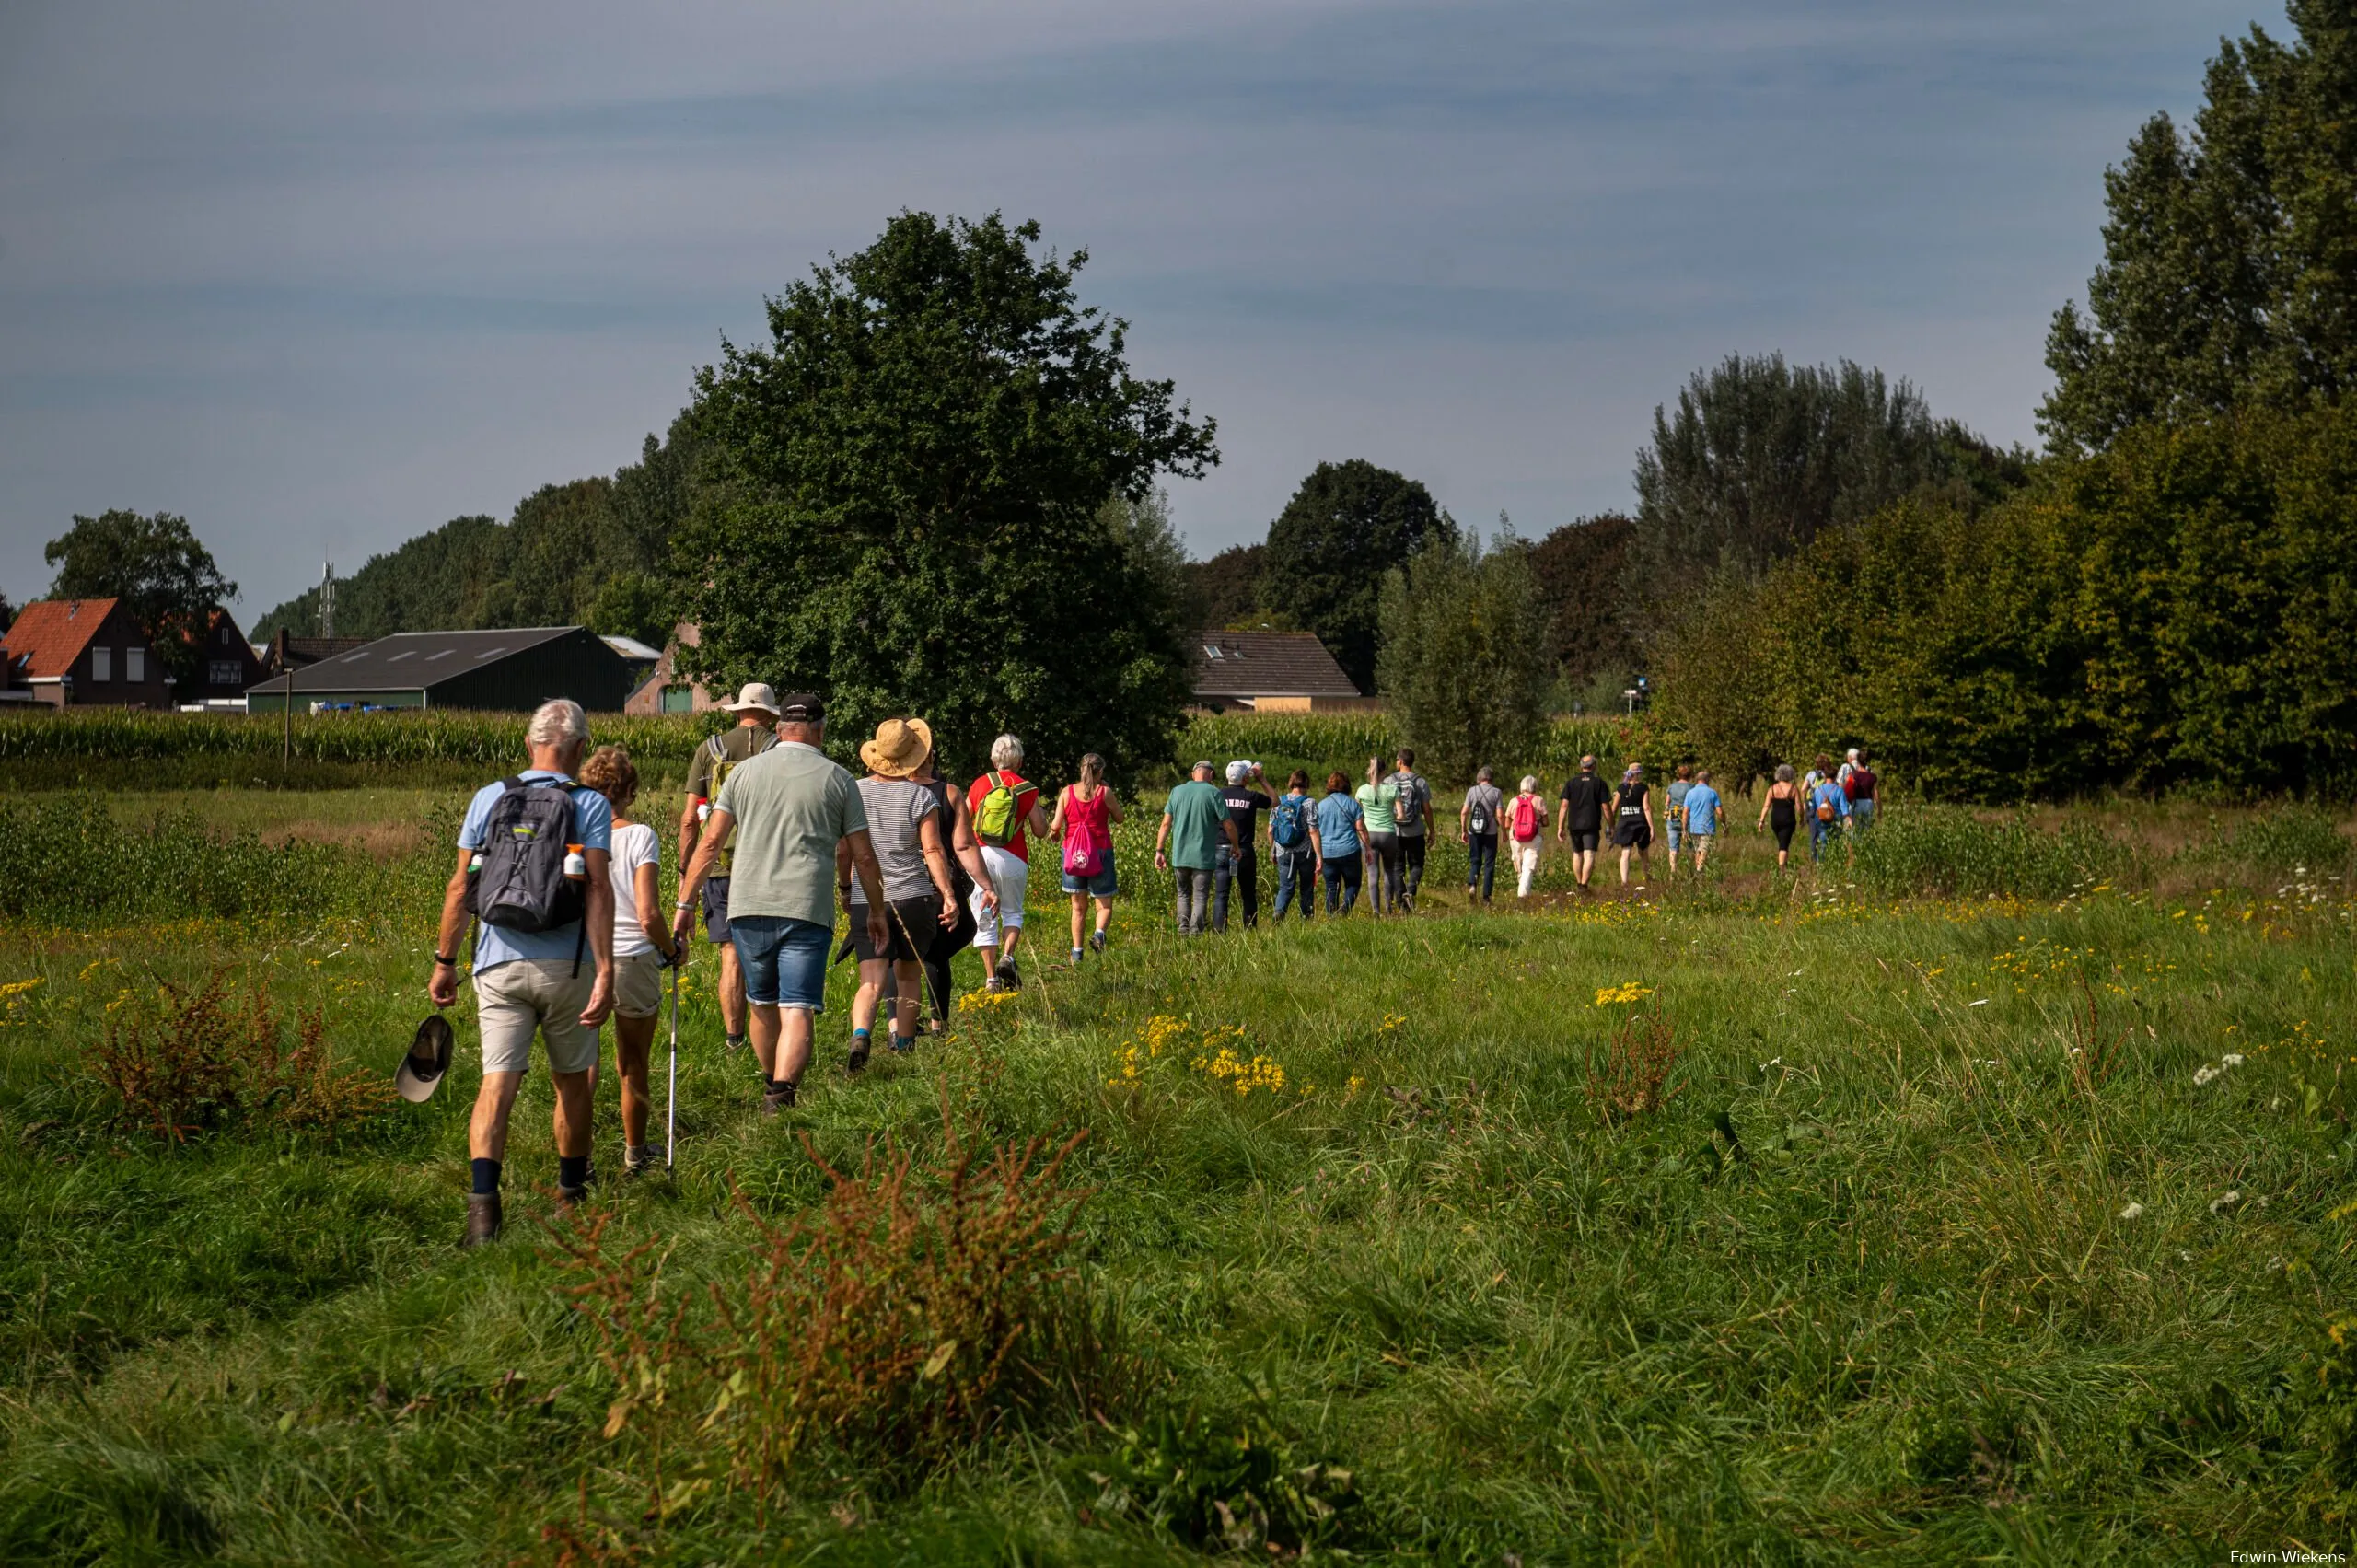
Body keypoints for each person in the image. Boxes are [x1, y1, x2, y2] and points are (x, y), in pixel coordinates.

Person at [430, 698, 616, 1248]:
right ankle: (569, 1199)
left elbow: (461, 887)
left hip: (498, 963)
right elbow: (599, 890)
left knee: (497, 1085)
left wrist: (444, 961)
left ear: (528, 743)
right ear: (579, 749)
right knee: (572, 1083)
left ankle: (483, 1216)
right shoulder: (590, 804)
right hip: (567, 967)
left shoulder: (490, 797)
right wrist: (605, 971)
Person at [671, 692, 887, 1118]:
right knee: (797, 1005)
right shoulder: (839, 778)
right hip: (806, 907)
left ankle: (773, 1082)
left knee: (761, 1003)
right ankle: (782, 1095)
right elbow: (862, 855)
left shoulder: (742, 775)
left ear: (782, 728)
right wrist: (876, 910)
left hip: (747, 904)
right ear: (820, 731)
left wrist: (685, 902)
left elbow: (711, 841)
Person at [842, 718, 987, 1070]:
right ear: (912, 756)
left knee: (870, 980)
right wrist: (949, 895)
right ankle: (903, 1047)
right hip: (914, 898)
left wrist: (846, 888)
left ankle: (862, 1033)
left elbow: (843, 850)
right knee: (908, 977)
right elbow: (934, 851)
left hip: (868, 897)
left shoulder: (854, 792)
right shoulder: (922, 795)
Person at [582, 743, 683, 1177]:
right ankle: (635, 1153)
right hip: (632, 960)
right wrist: (672, 948)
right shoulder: (640, 836)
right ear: (629, 790)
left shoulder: (575, 836)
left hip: (583, 959)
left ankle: (577, 1161)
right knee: (633, 1062)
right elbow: (648, 915)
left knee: (582, 1064)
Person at [677, 685, 781, 1053]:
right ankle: (770, 1039)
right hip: (769, 864)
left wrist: (685, 871)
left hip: (719, 866)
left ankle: (735, 1039)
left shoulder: (710, 750)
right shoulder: (780, 750)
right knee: (772, 952)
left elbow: (691, 820)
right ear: (770, 714)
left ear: (737, 712)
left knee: (731, 956)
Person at [910, 740, 992, 1024]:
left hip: (896, 882)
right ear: (930, 755)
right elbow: (965, 845)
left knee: (896, 956)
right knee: (937, 952)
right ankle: (938, 1023)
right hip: (938, 883)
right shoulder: (949, 792)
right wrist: (987, 885)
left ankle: (899, 1025)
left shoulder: (884, 790)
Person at [966, 734, 1051, 991]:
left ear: (994, 760)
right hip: (1014, 858)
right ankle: (1008, 956)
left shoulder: (981, 784)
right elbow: (1039, 830)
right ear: (1020, 762)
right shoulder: (1027, 789)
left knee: (984, 914)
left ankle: (991, 978)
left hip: (981, 857)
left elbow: (965, 818)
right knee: (1012, 911)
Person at [1049, 753, 1123, 962]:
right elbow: (1120, 818)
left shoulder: (1067, 792)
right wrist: (1108, 791)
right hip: (1099, 853)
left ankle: (1076, 954)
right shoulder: (1104, 792)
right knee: (1105, 904)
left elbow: (1055, 826)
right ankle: (1099, 934)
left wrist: (1055, 834)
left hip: (1073, 854)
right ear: (1100, 772)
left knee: (1078, 907)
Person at [1155, 760, 1237, 936]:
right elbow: (1228, 825)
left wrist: (1159, 850)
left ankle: (1183, 931)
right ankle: (1196, 933)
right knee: (1200, 896)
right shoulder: (1214, 793)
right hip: (1203, 857)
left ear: (1193, 774)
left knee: (1183, 894)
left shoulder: (1176, 791)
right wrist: (1236, 846)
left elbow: (1165, 824)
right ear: (1211, 775)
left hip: (1180, 855)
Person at [1213, 761, 1274, 932]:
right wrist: (1261, 778)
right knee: (1248, 894)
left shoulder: (1217, 794)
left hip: (1220, 849)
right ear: (1245, 778)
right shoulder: (1251, 796)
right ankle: (1250, 931)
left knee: (1221, 895)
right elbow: (1275, 801)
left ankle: (1219, 932)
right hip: (1244, 850)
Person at [1385, 749, 1433, 912]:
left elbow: (1384, 806)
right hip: (1416, 831)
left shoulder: (1389, 781)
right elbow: (1427, 809)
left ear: (1400, 761)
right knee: (1417, 864)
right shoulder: (1421, 782)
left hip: (1395, 831)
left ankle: (1401, 904)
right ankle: (1410, 890)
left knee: (1398, 867)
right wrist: (1432, 831)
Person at [1315, 770, 1369, 913]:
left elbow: (1315, 831)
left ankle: (1332, 918)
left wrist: (1317, 855)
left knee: (1331, 886)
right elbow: (1361, 829)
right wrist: (1368, 849)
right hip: (1349, 850)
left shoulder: (1321, 806)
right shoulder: (1353, 804)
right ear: (1347, 786)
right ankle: (1344, 910)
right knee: (1353, 884)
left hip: (1327, 853)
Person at [1269, 768, 1319, 921]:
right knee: (1306, 888)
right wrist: (1320, 856)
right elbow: (1313, 831)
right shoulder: (1309, 803)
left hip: (1283, 851)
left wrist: (1273, 850)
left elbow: (1271, 829)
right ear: (1306, 784)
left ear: (1291, 783)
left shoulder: (1278, 801)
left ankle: (1278, 913)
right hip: (1305, 853)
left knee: (1285, 887)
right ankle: (1306, 919)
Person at [1355, 757, 1402, 914]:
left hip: (1369, 835)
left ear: (1369, 771)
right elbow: (1401, 815)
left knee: (1372, 873)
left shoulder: (1361, 790)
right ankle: (1389, 907)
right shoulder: (1392, 789)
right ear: (1385, 771)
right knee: (1389, 871)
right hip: (1388, 834)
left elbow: (1357, 814)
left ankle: (1376, 911)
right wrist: (1390, 817)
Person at [1556, 755, 1609, 890]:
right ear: (1594, 766)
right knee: (1589, 853)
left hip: (1574, 823)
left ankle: (1579, 883)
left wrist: (1560, 827)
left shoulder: (1571, 782)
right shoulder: (1599, 783)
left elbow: (1564, 805)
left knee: (1577, 853)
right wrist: (1612, 823)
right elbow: (1605, 806)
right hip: (1591, 823)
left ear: (1581, 766)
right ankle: (1583, 885)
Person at [1460, 765, 1503, 905]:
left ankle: (1472, 885)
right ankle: (1486, 897)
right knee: (1489, 864)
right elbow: (1500, 815)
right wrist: (1504, 831)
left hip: (1474, 831)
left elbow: (1464, 812)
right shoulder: (1497, 792)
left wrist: (1464, 830)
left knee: (1475, 860)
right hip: (1491, 832)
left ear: (1480, 777)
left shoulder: (1472, 791)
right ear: (1491, 778)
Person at [1613, 763, 1655, 886]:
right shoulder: (1643, 788)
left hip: (1624, 823)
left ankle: (1624, 881)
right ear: (1638, 774)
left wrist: (1611, 824)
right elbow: (1646, 808)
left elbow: (1614, 808)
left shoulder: (1621, 788)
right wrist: (1651, 827)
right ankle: (1648, 878)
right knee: (1643, 852)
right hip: (1640, 823)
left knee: (1625, 853)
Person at [1507, 775, 1547, 898]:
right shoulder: (1539, 800)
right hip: (1534, 837)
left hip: (1516, 837)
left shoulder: (1513, 801)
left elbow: (1506, 823)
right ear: (1534, 786)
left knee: (1519, 866)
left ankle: (1523, 895)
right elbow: (1546, 822)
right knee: (1528, 867)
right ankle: (1523, 896)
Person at [1757, 762, 1800, 869]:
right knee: (1784, 845)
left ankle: (1784, 864)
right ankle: (1782, 870)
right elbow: (1799, 807)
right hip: (1788, 820)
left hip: (1775, 820)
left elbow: (1766, 806)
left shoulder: (1772, 789)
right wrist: (1803, 818)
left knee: (1783, 842)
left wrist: (1761, 821)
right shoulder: (1793, 789)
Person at [1807, 758, 1850, 862]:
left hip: (1821, 819)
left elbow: (1814, 806)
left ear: (1825, 776)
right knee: (1836, 842)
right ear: (1835, 777)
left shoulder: (1818, 790)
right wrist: (1848, 819)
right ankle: (1834, 863)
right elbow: (1844, 808)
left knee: (1822, 841)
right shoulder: (1839, 790)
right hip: (1835, 820)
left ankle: (1820, 865)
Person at [1682, 767, 1723, 874]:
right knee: (1704, 850)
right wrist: (1724, 823)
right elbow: (1720, 812)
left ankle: (1698, 874)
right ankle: (1699, 871)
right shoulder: (1712, 793)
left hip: (1694, 828)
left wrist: (1684, 829)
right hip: (1707, 827)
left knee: (1698, 851)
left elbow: (1685, 812)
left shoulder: (1690, 793)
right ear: (1707, 779)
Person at [1664, 764, 1693, 875]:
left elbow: (1667, 803)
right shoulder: (1692, 787)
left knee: (1673, 848)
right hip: (1688, 820)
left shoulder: (1671, 787)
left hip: (1673, 818)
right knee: (1690, 847)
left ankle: (1673, 872)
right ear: (1690, 775)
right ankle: (1691, 871)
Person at [1844, 750, 1879, 832]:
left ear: (1858, 761)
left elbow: (1846, 789)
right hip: (1868, 803)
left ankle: (1854, 845)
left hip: (1856, 803)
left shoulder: (1853, 775)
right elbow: (1876, 795)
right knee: (1867, 830)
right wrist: (1879, 809)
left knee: (1854, 830)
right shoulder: (1872, 777)